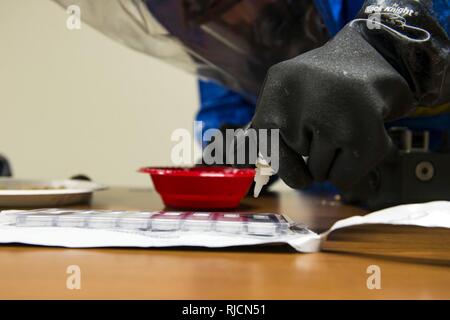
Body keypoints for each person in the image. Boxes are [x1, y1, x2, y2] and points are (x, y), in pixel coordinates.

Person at [55, 0, 449, 193]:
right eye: (197, 22)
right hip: (348, 232)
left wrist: (387, 45)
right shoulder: (239, 49)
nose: (226, 28)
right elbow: (228, 122)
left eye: (216, 5)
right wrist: (233, 158)